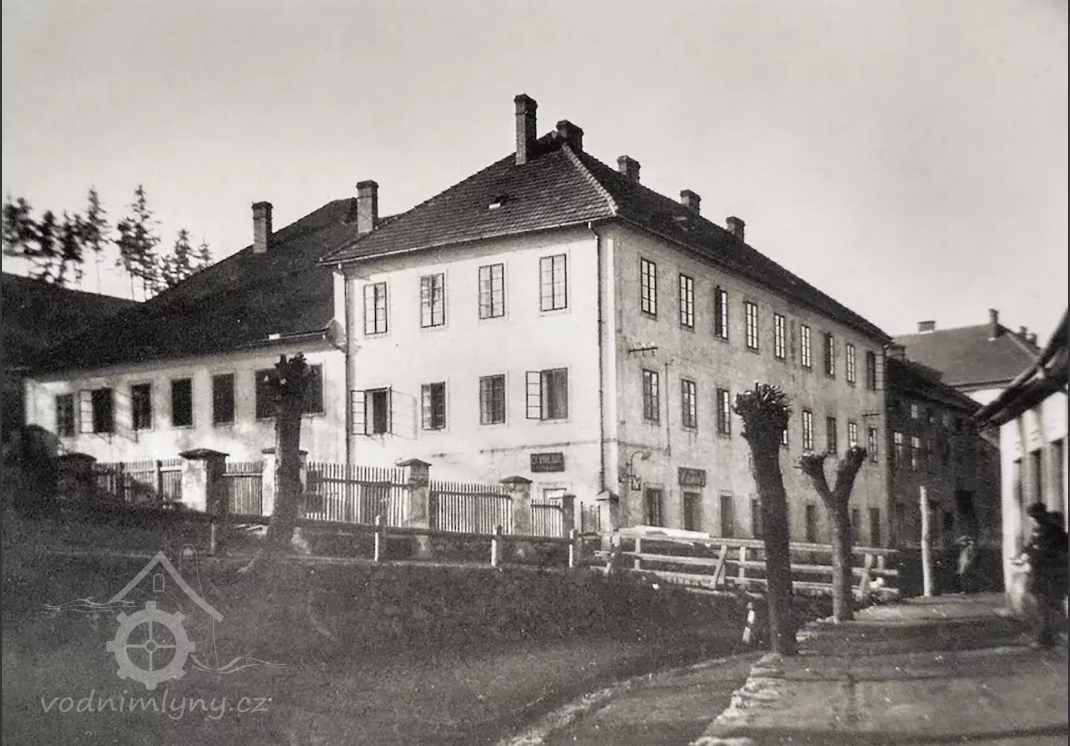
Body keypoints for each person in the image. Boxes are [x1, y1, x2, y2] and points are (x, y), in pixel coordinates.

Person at [1023, 502, 1069, 649]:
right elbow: (1031, 547)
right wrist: (1025, 555)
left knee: (1044, 608)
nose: (1031, 520)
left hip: (1047, 576)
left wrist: (1027, 560)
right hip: (1048, 576)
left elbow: (1040, 553)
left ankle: (1045, 640)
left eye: (1032, 517)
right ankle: (1058, 634)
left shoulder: (1049, 531)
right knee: (1053, 606)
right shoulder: (1041, 530)